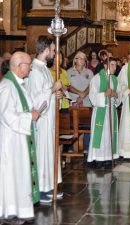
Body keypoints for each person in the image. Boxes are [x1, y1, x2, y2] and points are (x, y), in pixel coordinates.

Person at [0, 52, 40, 223]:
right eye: (28, 64)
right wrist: (29, 117)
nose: (30, 66)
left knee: (19, 174)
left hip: (20, 138)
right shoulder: (7, 86)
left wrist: (33, 113)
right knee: (11, 175)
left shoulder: (18, 84)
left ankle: (18, 209)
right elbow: (7, 115)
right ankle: (9, 211)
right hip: (12, 140)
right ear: (18, 66)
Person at [27, 35, 62, 203]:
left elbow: (48, 93)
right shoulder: (34, 70)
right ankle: (40, 189)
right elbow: (35, 101)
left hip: (49, 120)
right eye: (53, 51)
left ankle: (48, 185)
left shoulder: (44, 69)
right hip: (41, 121)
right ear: (46, 50)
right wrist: (52, 89)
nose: (55, 54)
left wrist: (56, 93)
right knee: (42, 154)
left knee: (49, 153)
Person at [87, 57, 120, 168]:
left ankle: (108, 157)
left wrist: (115, 94)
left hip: (111, 112)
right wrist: (104, 94)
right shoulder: (96, 78)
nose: (114, 67)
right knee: (101, 136)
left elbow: (119, 98)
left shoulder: (115, 80)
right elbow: (92, 96)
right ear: (105, 66)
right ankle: (99, 158)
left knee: (110, 135)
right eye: (112, 65)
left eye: (115, 65)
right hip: (101, 111)